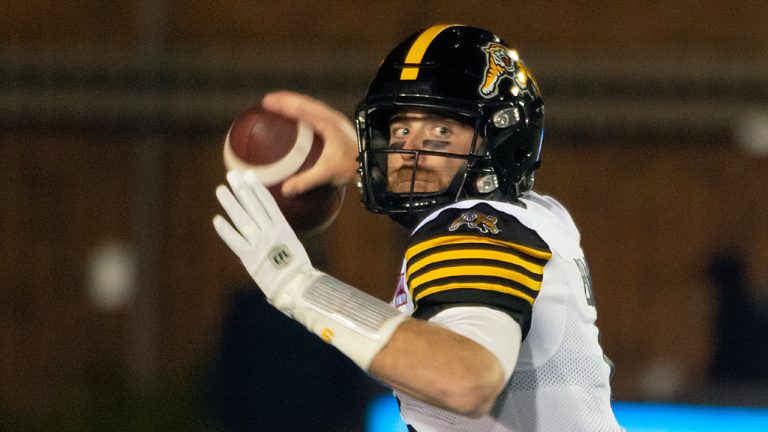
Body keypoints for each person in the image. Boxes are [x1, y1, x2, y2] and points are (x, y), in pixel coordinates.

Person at [213, 24, 621, 431]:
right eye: (400, 130)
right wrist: (363, 160)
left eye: (441, 130)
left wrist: (299, 286)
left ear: (498, 139)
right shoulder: (538, 214)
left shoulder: (471, 226)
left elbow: (465, 381)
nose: (408, 151)